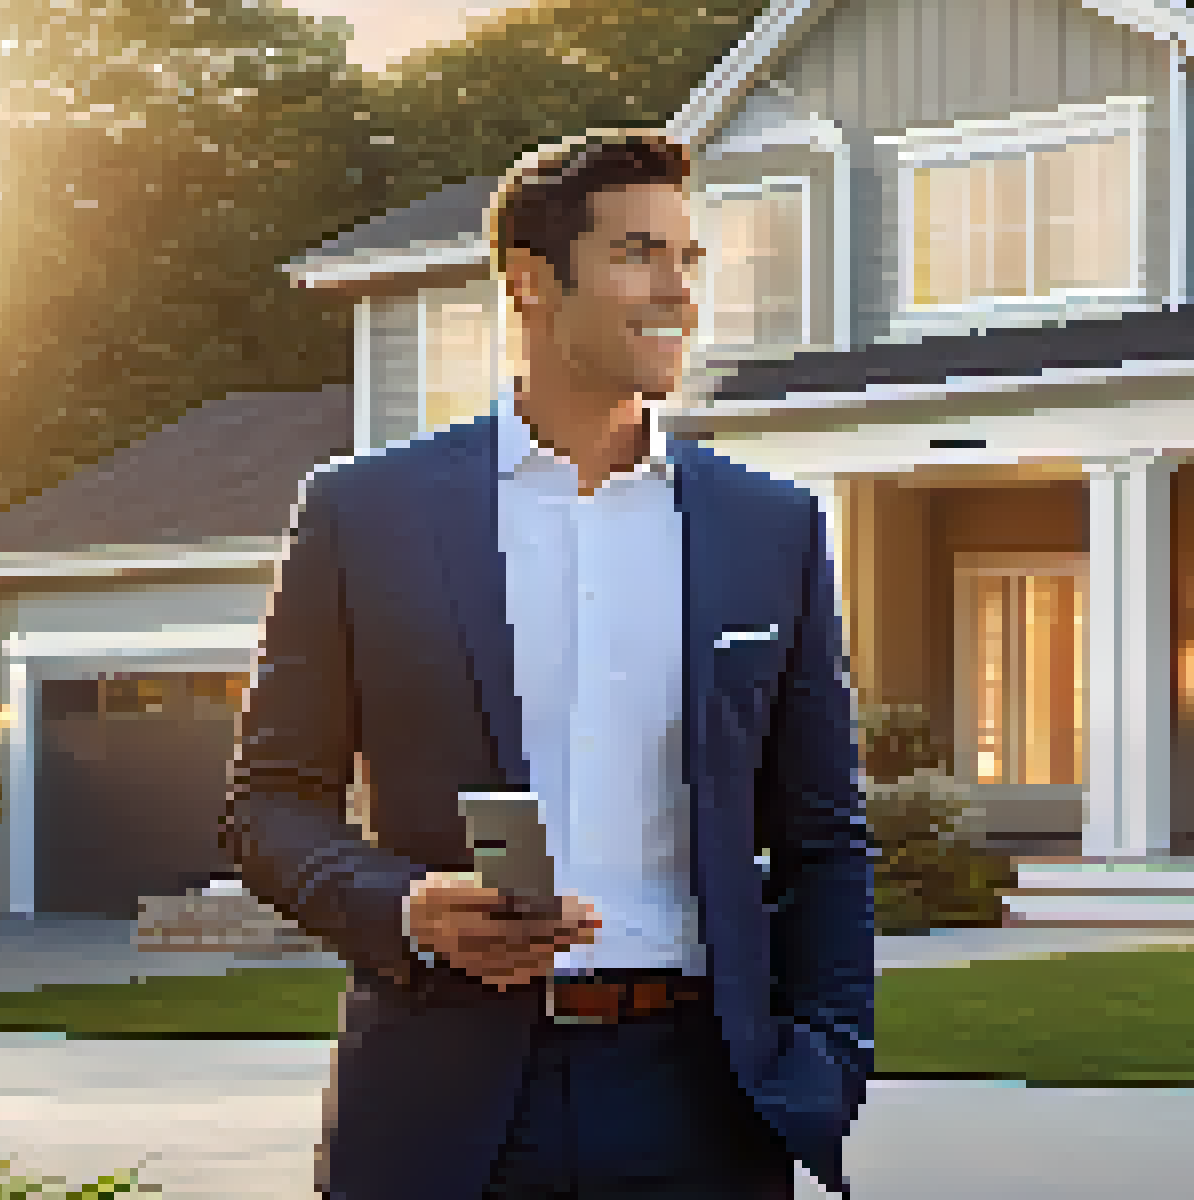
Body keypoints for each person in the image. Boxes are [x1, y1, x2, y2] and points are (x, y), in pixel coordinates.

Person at [227, 129, 876, 1200]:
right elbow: (270, 804)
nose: (677, 291)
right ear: (531, 283)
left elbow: (825, 838)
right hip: (443, 1102)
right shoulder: (362, 513)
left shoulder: (770, 528)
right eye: (637, 254)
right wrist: (403, 905)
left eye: (688, 259)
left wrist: (826, 1065)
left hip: (701, 1106)